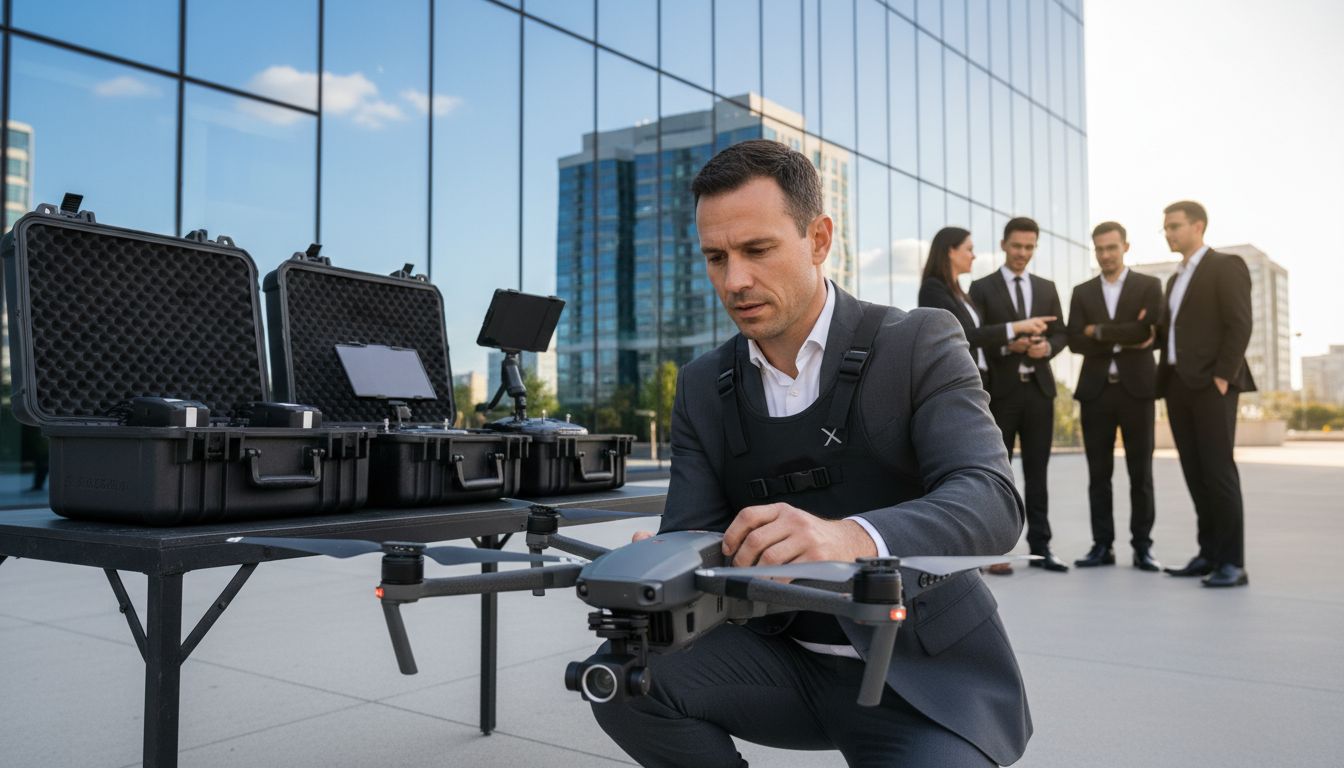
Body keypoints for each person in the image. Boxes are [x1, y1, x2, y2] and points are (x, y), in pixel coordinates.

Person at [596, 140, 1031, 766]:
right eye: (715, 258)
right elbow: (694, 532)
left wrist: (850, 537)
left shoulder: (918, 342)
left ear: (819, 238)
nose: (734, 280)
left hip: (926, 680)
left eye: (757, 250)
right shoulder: (700, 386)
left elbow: (992, 503)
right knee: (621, 677)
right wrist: (664, 563)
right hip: (782, 667)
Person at [1155, 201, 1254, 588]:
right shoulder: (1174, 279)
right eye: (1165, 227)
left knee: (1218, 472)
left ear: (1198, 226)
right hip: (1178, 385)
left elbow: (1240, 323)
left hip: (1213, 385)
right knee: (1195, 473)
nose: (1168, 233)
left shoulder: (1225, 265)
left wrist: (1222, 378)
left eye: (1175, 226)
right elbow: (1171, 333)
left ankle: (1233, 562)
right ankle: (1209, 553)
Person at [968, 218, 1070, 574]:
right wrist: (1008, 345)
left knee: (1039, 472)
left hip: (1039, 391)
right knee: (999, 473)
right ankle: (997, 549)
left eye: (1029, 247)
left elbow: (1062, 334)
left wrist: (1047, 347)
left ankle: (1042, 548)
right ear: (1003, 245)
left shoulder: (1047, 287)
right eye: (1017, 246)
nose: (1022, 254)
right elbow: (976, 336)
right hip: (1001, 393)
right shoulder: (981, 287)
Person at [1066, 221, 1164, 571]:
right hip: (1096, 392)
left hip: (1137, 390)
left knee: (1142, 474)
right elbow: (1075, 339)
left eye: (1112, 247)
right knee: (1099, 475)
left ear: (1126, 247)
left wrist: (1100, 330)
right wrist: (1126, 333)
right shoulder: (1082, 291)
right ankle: (1102, 546)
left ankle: (1142, 547)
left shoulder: (1149, 286)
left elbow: (1149, 331)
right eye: (1100, 249)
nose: (1106, 255)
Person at [917, 226, 1056, 391]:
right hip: (957, 380)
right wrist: (1017, 327)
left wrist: (1010, 345)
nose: (974, 256)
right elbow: (962, 335)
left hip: (979, 378)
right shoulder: (933, 289)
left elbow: (979, 334)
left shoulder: (959, 292)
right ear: (951, 251)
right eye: (969, 249)